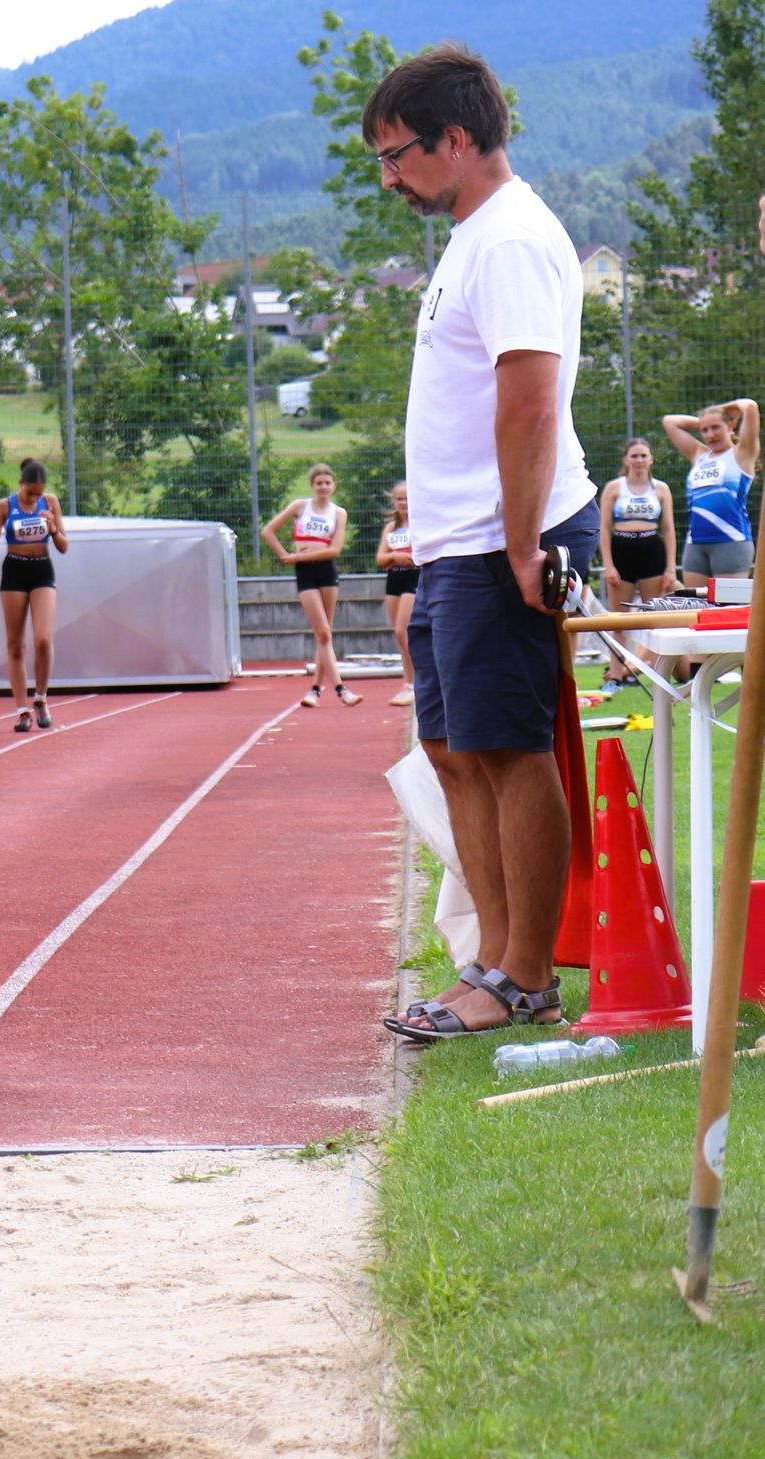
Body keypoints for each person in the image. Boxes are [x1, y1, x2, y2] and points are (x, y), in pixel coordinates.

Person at [364, 46, 601, 1041]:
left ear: (458, 138)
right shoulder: (472, 237)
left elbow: (531, 400)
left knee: (507, 751)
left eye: (400, 154)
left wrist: (514, 544)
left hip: (508, 536)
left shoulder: (508, 239)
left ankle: (523, 976)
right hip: (456, 537)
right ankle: (491, 960)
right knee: (453, 748)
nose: (391, 177)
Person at [0, 457, 70, 732]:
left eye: (38, 493)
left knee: (42, 639)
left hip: (42, 571)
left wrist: (52, 528)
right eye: (30, 493)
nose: (34, 498)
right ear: (20, 485)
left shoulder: (50, 502)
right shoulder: (4, 507)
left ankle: (41, 698)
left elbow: (64, 546)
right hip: (14, 572)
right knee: (16, 645)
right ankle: (22, 710)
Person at [262, 463, 360, 708]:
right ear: (312, 486)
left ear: (334, 486)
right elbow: (268, 531)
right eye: (319, 483)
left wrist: (298, 557)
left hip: (326, 572)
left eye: (328, 483)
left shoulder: (339, 513)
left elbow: (335, 550)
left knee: (324, 634)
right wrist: (285, 555)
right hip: (305, 574)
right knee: (323, 632)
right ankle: (341, 689)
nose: (324, 487)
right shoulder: (300, 507)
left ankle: (315, 690)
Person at [595, 438, 678, 692]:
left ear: (651, 459)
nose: (639, 460)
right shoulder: (614, 488)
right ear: (626, 460)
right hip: (622, 550)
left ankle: (650, 669)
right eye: (635, 456)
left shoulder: (661, 489)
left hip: (651, 549)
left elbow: (669, 529)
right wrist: (608, 564)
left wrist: (671, 567)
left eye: (644, 456)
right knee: (618, 619)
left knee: (652, 617)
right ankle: (616, 676)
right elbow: (604, 529)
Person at [660, 399, 756, 588]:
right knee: (697, 608)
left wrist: (728, 411)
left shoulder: (742, 454)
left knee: (728, 610)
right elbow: (669, 422)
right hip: (696, 544)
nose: (710, 435)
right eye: (705, 430)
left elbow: (750, 406)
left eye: (716, 428)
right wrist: (706, 420)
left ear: (731, 426)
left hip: (731, 542)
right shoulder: (699, 454)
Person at [373, 481, 420, 708]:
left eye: (407, 498)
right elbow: (380, 559)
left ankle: (415, 684)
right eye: (399, 499)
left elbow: (418, 555)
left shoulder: (421, 524)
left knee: (404, 631)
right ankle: (409, 682)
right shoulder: (391, 528)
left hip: (414, 577)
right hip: (394, 580)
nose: (403, 503)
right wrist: (395, 558)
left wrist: (397, 557)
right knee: (399, 635)